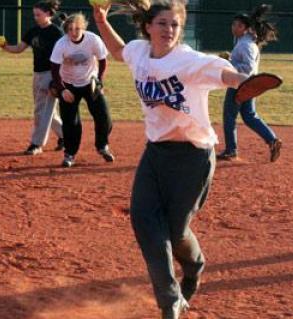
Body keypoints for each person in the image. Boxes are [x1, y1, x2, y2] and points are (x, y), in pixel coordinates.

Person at [92, 1, 270, 317]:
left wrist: (243, 83)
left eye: (174, 25)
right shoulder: (139, 52)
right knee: (144, 220)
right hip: (156, 153)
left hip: (194, 158)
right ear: (148, 26)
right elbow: (119, 52)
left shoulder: (189, 61)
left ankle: (194, 265)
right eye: (162, 23)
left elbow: (224, 73)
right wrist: (101, 20)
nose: (169, 30)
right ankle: (170, 300)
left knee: (175, 234)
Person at [217, 5, 282, 162]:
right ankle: (272, 140)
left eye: (239, 25)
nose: (234, 27)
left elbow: (247, 69)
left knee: (229, 116)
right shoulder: (245, 42)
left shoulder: (245, 44)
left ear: (246, 28)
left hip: (240, 85)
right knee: (249, 116)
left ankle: (231, 150)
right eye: (233, 24)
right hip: (249, 86)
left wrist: (228, 63)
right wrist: (231, 60)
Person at [50, 13, 115, 168]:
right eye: (71, 29)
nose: (74, 32)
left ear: (83, 27)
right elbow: (54, 68)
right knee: (70, 122)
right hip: (68, 84)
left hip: (89, 82)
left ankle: (102, 146)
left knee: (103, 116)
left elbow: (103, 60)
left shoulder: (93, 39)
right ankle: (70, 154)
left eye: (78, 28)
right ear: (66, 30)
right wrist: (62, 89)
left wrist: (99, 81)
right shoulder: (61, 44)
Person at [0, 0, 64, 156]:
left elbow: (63, 55)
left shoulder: (56, 33)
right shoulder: (33, 31)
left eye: (38, 14)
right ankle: (66, 136)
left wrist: (58, 80)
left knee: (40, 111)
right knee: (48, 112)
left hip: (52, 74)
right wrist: (6, 47)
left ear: (48, 14)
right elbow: (19, 48)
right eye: (34, 14)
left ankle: (36, 144)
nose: (35, 17)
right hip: (37, 74)